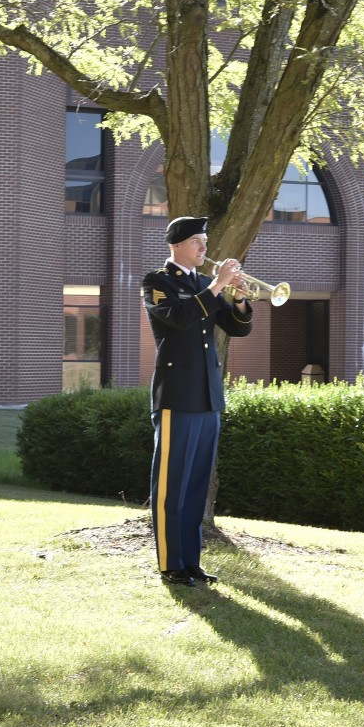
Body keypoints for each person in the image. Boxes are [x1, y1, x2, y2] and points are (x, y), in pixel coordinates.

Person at [142, 216, 253, 587]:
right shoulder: (157, 282)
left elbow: (237, 328)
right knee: (171, 484)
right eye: (197, 242)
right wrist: (218, 285)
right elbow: (177, 318)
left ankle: (190, 561)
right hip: (177, 394)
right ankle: (169, 563)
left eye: (205, 241)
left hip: (207, 396)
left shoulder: (206, 284)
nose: (205, 249)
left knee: (195, 485)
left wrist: (237, 297)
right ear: (175, 245)